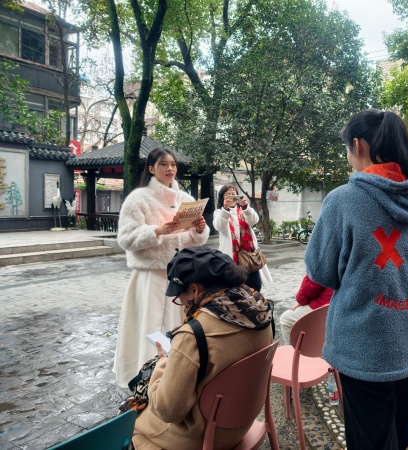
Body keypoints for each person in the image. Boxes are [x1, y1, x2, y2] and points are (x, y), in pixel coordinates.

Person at [304, 108, 408, 450]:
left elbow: (320, 271)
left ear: (357, 145)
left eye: (346, 149)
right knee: (403, 430)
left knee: (370, 440)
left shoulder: (344, 200)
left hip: (365, 348)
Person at [132, 246, 274, 450]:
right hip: (243, 423)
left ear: (195, 289)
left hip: (202, 437)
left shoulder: (193, 335)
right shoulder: (263, 311)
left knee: (130, 419)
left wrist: (163, 362)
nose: (181, 304)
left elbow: (168, 411)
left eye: (179, 296)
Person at [113, 147, 210, 389]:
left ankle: (176, 377)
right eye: (163, 164)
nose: (170, 169)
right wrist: (156, 231)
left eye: (173, 164)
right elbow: (125, 238)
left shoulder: (186, 199)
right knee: (149, 326)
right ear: (151, 168)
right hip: (151, 276)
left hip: (181, 276)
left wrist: (200, 229)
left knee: (179, 327)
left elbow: (197, 239)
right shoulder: (138, 199)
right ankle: (145, 378)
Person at [212, 184, 272, 292]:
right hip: (231, 257)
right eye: (227, 194)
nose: (231, 196)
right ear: (222, 198)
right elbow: (220, 226)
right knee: (235, 289)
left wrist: (245, 207)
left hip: (249, 258)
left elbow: (254, 220)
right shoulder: (219, 213)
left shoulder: (243, 210)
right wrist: (225, 209)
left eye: (233, 194)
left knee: (255, 286)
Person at [279, 274, 333, 345]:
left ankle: (290, 350)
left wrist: (301, 302)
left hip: (325, 307)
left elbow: (304, 296)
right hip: (339, 306)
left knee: (285, 319)